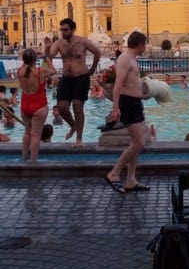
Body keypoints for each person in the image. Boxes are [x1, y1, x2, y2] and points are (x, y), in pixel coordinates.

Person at [103, 31, 151, 194]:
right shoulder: (124, 59)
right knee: (139, 143)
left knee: (135, 143)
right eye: (145, 44)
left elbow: (132, 81)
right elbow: (118, 84)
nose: (145, 47)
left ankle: (131, 180)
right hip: (128, 103)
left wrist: (141, 87)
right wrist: (116, 108)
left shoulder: (131, 60)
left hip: (135, 103)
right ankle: (114, 173)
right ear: (139, 44)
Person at [45, 18, 101, 147]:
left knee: (77, 106)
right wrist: (48, 48)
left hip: (81, 77)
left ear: (73, 29)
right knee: (61, 107)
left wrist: (92, 69)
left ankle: (79, 139)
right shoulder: (59, 43)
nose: (63, 32)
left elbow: (97, 53)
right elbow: (50, 57)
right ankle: (73, 126)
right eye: (61, 30)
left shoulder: (82, 42)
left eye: (66, 30)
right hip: (66, 78)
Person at [17, 48, 57, 162]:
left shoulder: (19, 71)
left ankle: (24, 158)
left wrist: (27, 58)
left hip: (25, 104)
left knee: (27, 132)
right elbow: (53, 71)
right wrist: (45, 57)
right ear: (35, 59)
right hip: (39, 104)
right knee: (35, 135)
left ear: (24, 59)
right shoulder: (40, 71)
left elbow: (26, 66)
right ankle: (33, 161)